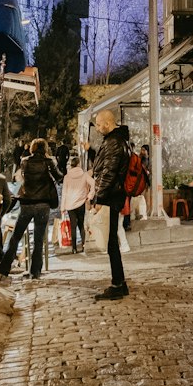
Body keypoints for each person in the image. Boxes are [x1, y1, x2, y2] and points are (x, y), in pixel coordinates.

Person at [0, 139, 61, 280]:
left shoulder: (24, 161)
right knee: (38, 239)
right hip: (43, 204)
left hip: (26, 203)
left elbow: (25, 177)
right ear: (45, 148)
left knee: (16, 236)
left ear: (32, 148)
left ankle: (4, 266)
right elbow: (59, 177)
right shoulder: (48, 162)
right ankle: (35, 271)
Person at [90, 109, 132, 299]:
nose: (98, 128)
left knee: (111, 242)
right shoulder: (117, 140)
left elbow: (108, 172)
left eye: (99, 124)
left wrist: (99, 198)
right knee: (112, 241)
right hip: (113, 195)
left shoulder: (114, 142)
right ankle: (120, 282)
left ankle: (117, 285)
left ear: (107, 123)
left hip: (111, 197)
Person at [60, 151, 92, 252]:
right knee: (81, 225)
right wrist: (90, 195)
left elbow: (64, 192)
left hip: (70, 204)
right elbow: (93, 183)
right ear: (78, 165)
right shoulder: (84, 175)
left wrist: (62, 207)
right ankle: (84, 245)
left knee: (72, 226)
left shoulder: (67, 177)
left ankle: (74, 248)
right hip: (81, 202)